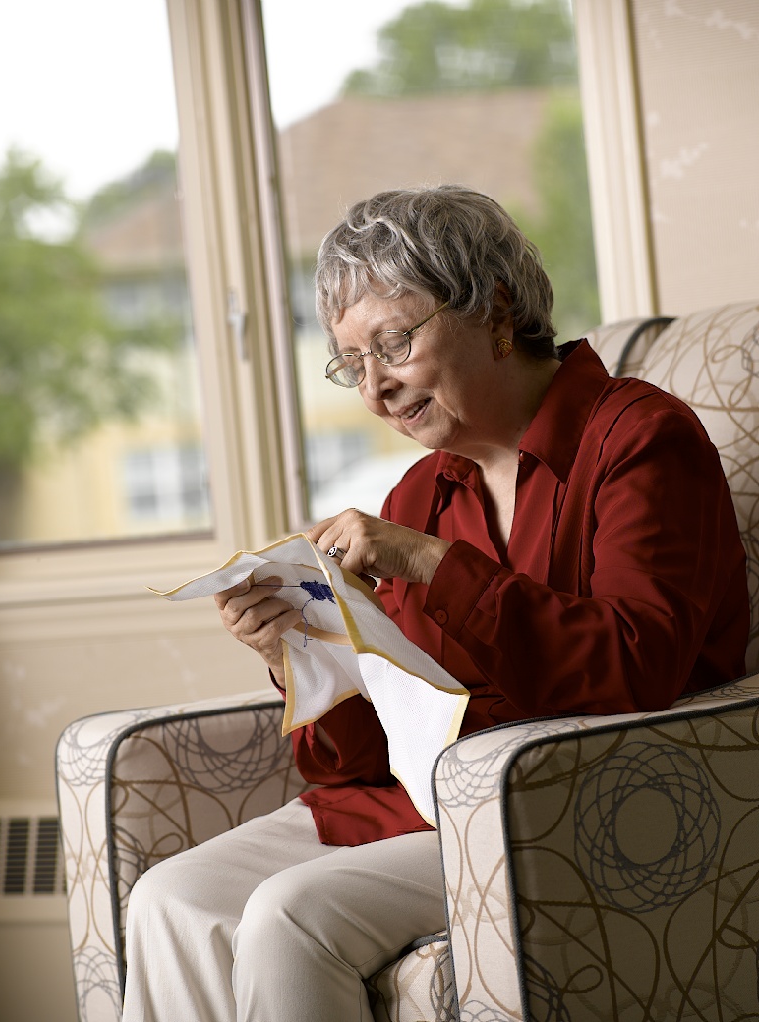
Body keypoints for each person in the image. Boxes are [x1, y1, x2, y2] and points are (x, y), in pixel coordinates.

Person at [121, 185, 749, 1022]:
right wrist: (300, 653)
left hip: (555, 800)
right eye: (352, 364)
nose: (375, 388)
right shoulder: (422, 490)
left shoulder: (639, 438)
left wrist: (431, 563)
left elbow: (635, 665)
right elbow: (357, 758)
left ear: (492, 310)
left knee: (290, 916)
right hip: (419, 800)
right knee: (172, 899)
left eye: (395, 342)